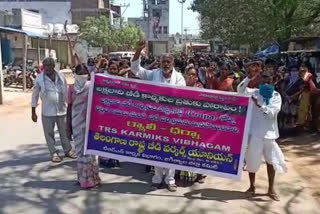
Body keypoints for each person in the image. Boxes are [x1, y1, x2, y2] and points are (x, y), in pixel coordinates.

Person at [131, 39, 186, 192]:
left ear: (172, 63)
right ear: (160, 62)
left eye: (168, 61)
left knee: (171, 149)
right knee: (156, 148)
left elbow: (182, 97)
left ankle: (170, 179)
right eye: (164, 61)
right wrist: (138, 50)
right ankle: (157, 178)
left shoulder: (179, 78)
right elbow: (136, 69)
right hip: (154, 118)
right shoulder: (153, 74)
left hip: (172, 120)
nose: (166, 64)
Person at [237, 65, 287, 201]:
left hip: (269, 135)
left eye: (269, 81)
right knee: (252, 162)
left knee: (271, 162)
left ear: (274, 81)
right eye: (263, 80)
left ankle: (271, 188)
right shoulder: (254, 92)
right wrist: (249, 77)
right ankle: (252, 186)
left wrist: (260, 105)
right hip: (255, 134)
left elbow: (272, 113)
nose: (266, 83)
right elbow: (240, 90)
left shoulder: (276, 96)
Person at [31, 57, 77, 162]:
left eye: (50, 65)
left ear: (53, 66)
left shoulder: (60, 76)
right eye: (45, 66)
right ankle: (54, 153)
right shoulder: (39, 79)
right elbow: (35, 95)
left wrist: (68, 106)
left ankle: (68, 150)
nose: (47, 68)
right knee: (49, 133)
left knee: (64, 132)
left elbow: (65, 92)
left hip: (61, 110)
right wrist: (33, 112)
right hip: (47, 112)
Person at [68, 64, 101, 189]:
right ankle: (82, 178)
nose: (82, 76)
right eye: (80, 73)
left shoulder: (92, 86)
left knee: (91, 152)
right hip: (77, 123)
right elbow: (70, 106)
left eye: (84, 73)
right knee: (81, 152)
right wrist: (68, 126)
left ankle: (92, 179)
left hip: (91, 123)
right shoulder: (71, 88)